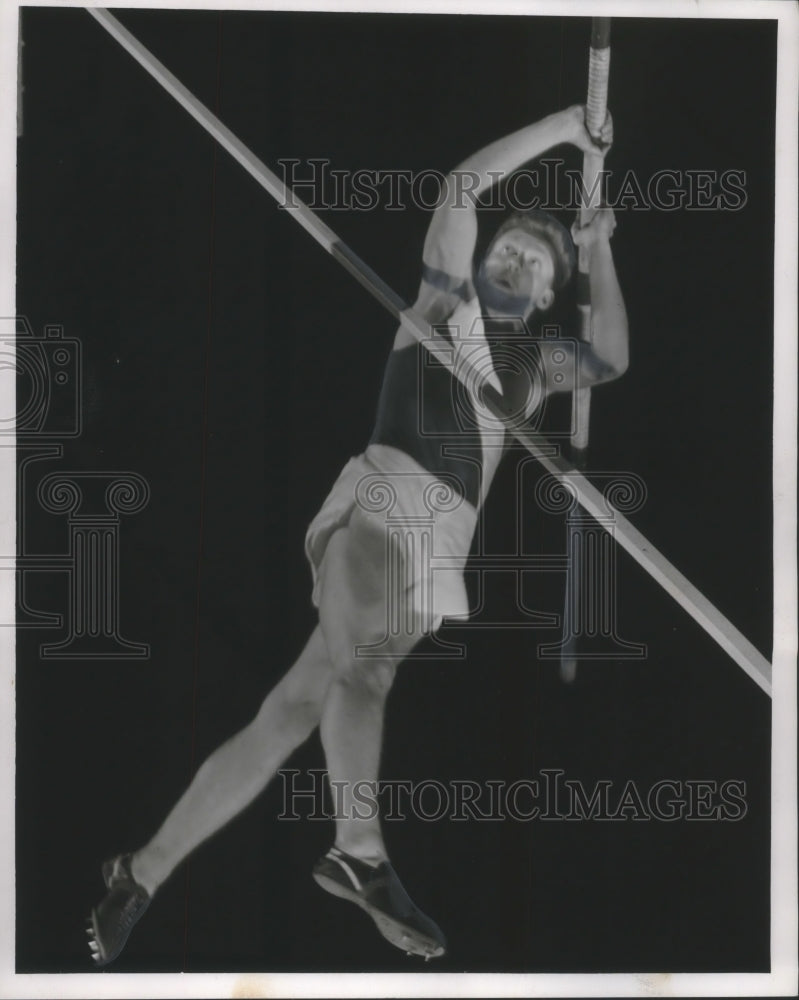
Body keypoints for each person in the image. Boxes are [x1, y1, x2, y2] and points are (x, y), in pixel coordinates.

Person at [87, 103, 626, 966]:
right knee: (364, 671)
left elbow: (609, 358)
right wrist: (567, 126)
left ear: (548, 289)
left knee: (294, 709)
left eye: (536, 255)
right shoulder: (444, 304)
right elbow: (462, 185)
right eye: (506, 244)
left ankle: (141, 872)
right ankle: (358, 848)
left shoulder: (532, 373)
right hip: (383, 505)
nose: (514, 252)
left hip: (438, 549)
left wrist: (597, 247)